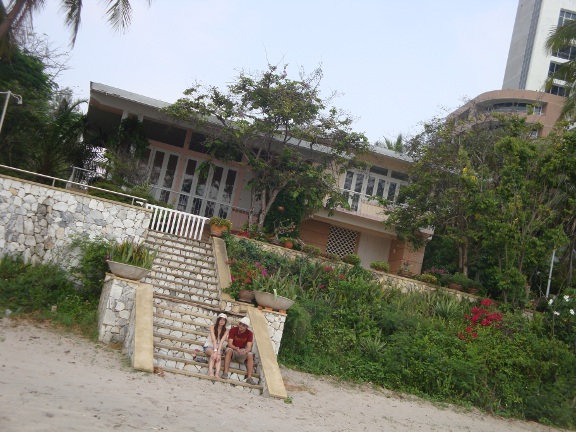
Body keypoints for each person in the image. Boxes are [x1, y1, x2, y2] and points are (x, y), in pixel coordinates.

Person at [222, 316, 256, 385]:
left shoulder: (250, 333)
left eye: (243, 325)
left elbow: (249, 347)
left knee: (250, 355)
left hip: (242, 350)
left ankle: (249, 378)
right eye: (240, 323)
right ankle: (225, 373)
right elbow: (230, 344)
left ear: (246, 327)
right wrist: (236, 348)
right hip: (233, 348)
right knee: (229, 351)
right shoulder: (233, 330)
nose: (241, 326)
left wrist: (245, 351)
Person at [203, 313, 229, 378]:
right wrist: (215, 351)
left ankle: (217, 374)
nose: (222, 321)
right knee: (213, 355)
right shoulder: (212, 327)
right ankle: (211, 372)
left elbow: (221, 342)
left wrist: (218, 353)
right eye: (220, 319)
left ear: (225, 322)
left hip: (219, 347)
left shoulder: (226, 330)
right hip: (209, 346)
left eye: (224, 320)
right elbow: (213, 339)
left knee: (218, 357)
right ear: (218, 320)